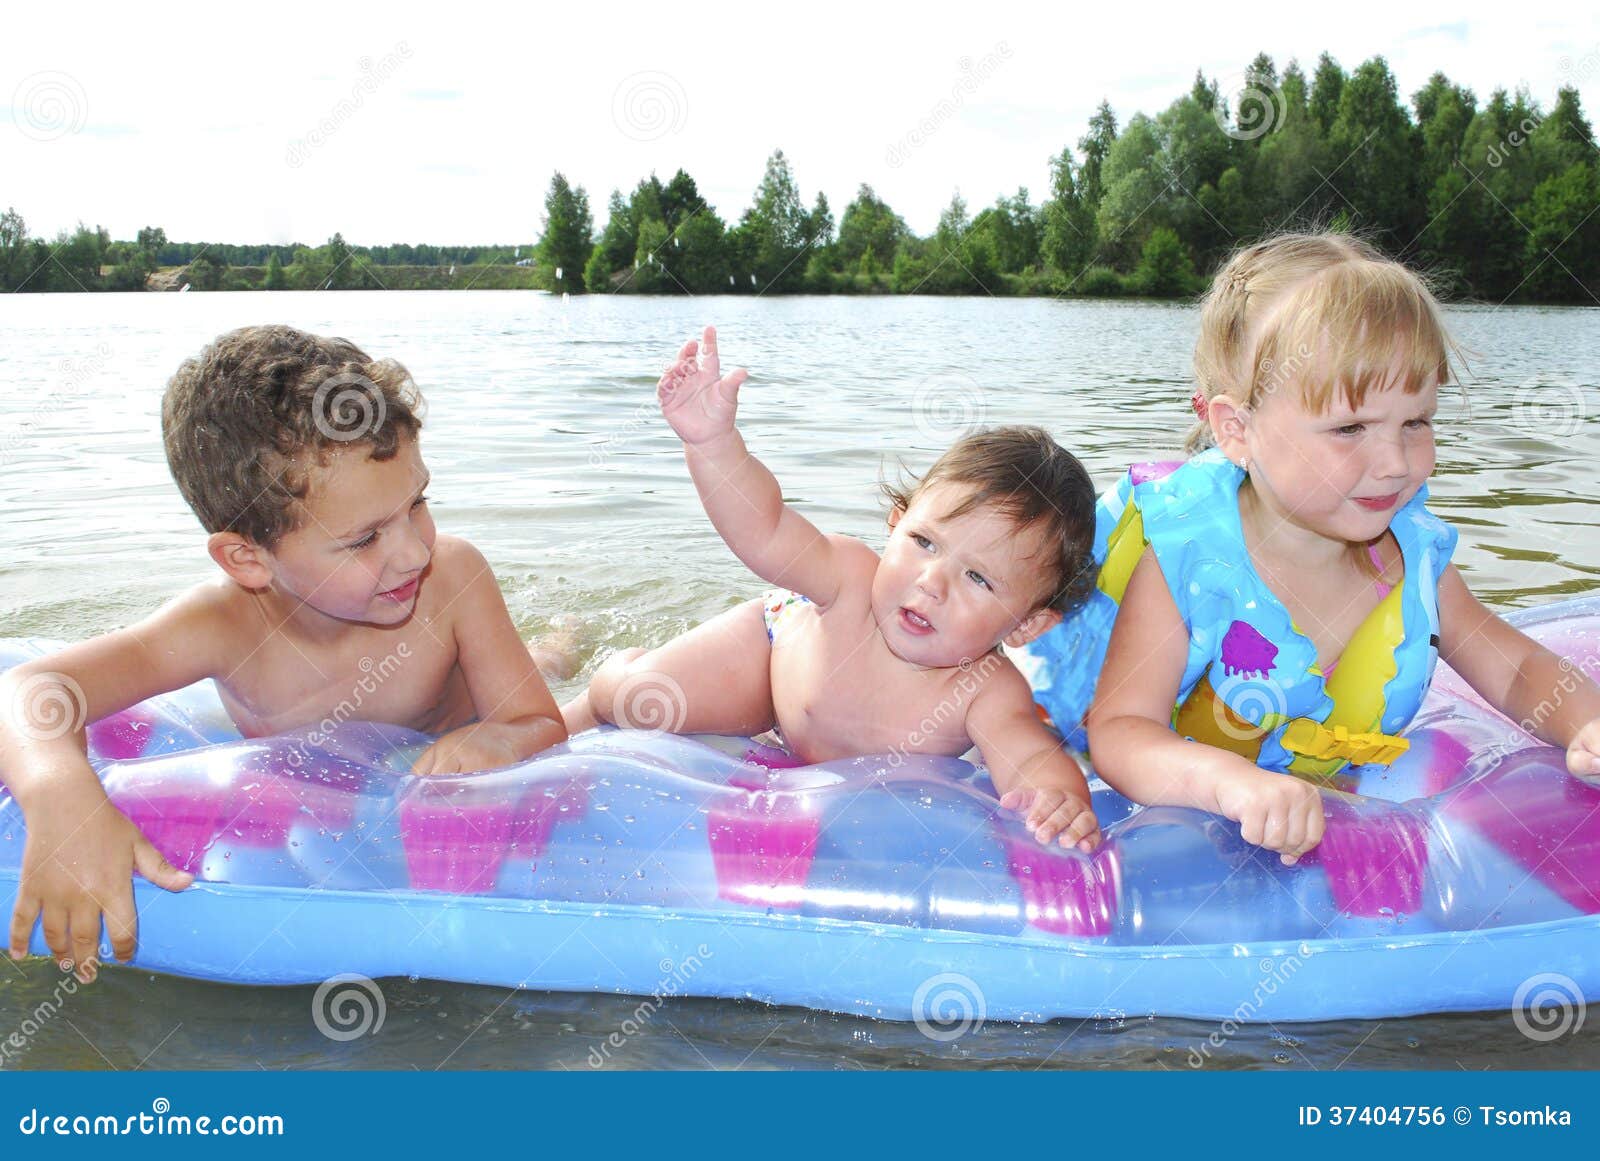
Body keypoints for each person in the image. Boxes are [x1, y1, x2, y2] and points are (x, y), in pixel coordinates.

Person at [0, 325, 567, 982]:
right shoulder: (220, 625)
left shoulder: (454, 579)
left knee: (547, 662)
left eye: (418, 503)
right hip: (325, 802)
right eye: (363, 540)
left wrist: (500, 739)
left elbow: (540, 721)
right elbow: (28, 690)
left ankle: (557, 643)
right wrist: (60, 793)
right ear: (248, 558)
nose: (414, 550)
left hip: (444, 734)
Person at [1053, 232, 1600, 865]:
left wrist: (1584, 722)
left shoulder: (1412, 556)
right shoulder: (1188, 560)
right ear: (1237, 430)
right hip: (1187, 827)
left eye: (1416, 422)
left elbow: (1517, 671)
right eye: (1349, 428)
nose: (1395, 463)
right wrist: (1234, 787)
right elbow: (1121, 732)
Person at [563, 326, 1102, 851]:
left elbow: (1028, 754)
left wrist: (1058, 798)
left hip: (812, 733)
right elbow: (764, 528)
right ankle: (587, 697)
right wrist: (712, 443)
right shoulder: (848, 578)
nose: (930, 582)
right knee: (639, 699)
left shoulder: (986, 688)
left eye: (978, 578)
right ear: (896, 522)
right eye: (925, 542)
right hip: (771, 659)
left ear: (1028, 624)